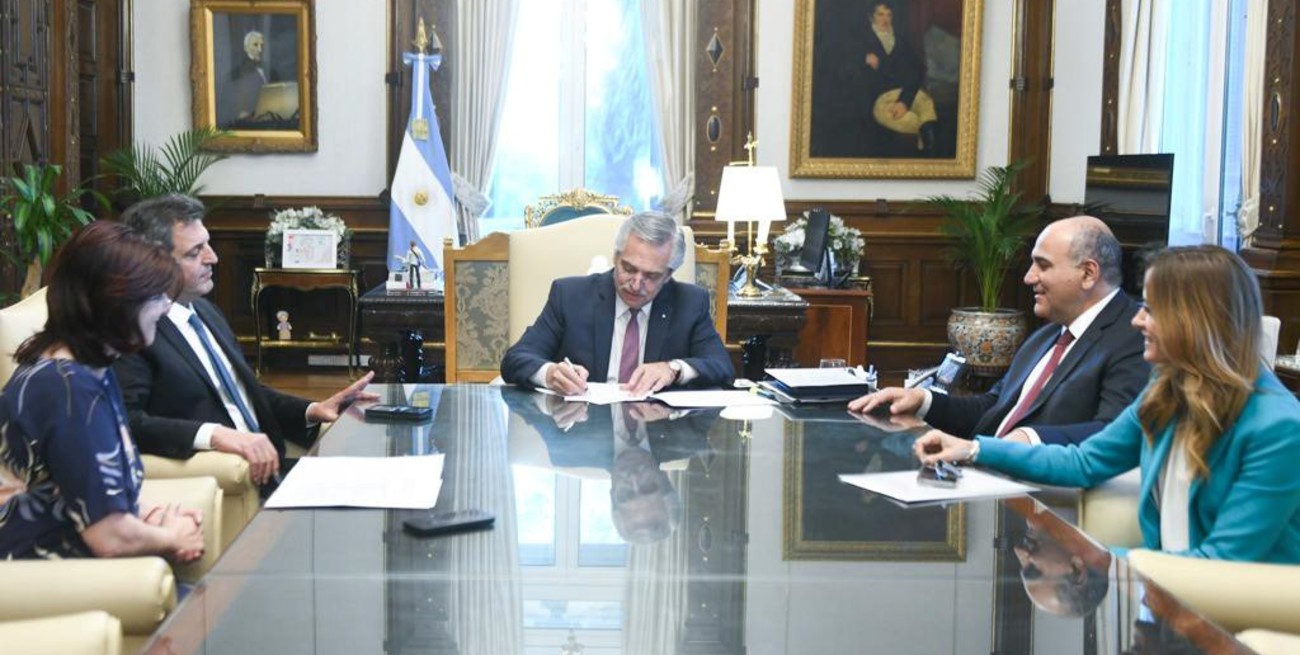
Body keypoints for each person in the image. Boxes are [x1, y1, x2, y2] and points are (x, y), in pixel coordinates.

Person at [916, 245, 1300, 563]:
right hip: (1171, 596)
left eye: (1151, 310)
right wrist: (973, 449)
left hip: (1245, 614)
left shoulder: (1278, 429)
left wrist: (1104, 559)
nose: (1137, 321)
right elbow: (1084, 462)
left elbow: (1224, 562)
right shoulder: (1167, 393)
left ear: (1196, 321)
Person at [113, 194, 378, 488]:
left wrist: (312, 410)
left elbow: (243, 392)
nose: (213, 257)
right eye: (195, 252)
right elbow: (125, 421)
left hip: (276, 468)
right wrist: (213, 434)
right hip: (233, 479)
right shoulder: (135, 330)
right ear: (152, 261)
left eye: (208, 244)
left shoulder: (205, 311)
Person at [0, 221, 204, 562]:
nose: (166, 307)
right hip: (43, 573)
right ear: (115, 304)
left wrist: (151, 517)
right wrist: (171, 537)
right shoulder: (67, 389)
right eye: (156, 296)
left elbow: (83, 493)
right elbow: (110, 538)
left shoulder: (88, 370)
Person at [851, 216, 1150, 446]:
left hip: (1039, 492)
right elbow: (994, 407)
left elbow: (1115, 433)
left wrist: (1028, 439)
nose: (1028, 277)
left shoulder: (1136, 338)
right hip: (983, 476)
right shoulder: (1047, 336)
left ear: (1088, 273)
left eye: (1042, 266)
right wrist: (923, 401)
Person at [500, 211, 734, 396]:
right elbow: (516, 359)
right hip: (582, 427)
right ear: (616, 257)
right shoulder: (570, 296)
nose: (636, 284)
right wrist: (550, 374)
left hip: (658, 430)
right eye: (628, 268)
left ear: (668, 275)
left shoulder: (689, 302)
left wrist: (673, 369)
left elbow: (722, 366)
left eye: (651, 276)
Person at [863, 1, 939, 152]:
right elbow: (844, 66)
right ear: (871, 17)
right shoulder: (862, 41)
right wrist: (862, 59)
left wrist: (904, 101)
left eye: (889, 15)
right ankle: (927, 147)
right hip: (879, 99)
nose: (885, 19)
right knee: (911, 120)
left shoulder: (900, 40)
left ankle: (930, 146)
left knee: (926, 103)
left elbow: (918, 69)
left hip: (903, 92)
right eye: (880, 14)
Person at [229, 30, 268, 125]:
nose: (260, 49)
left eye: (262, 45)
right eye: (255, 45)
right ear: (246, 48)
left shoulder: (268, 69)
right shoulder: (239, 72)